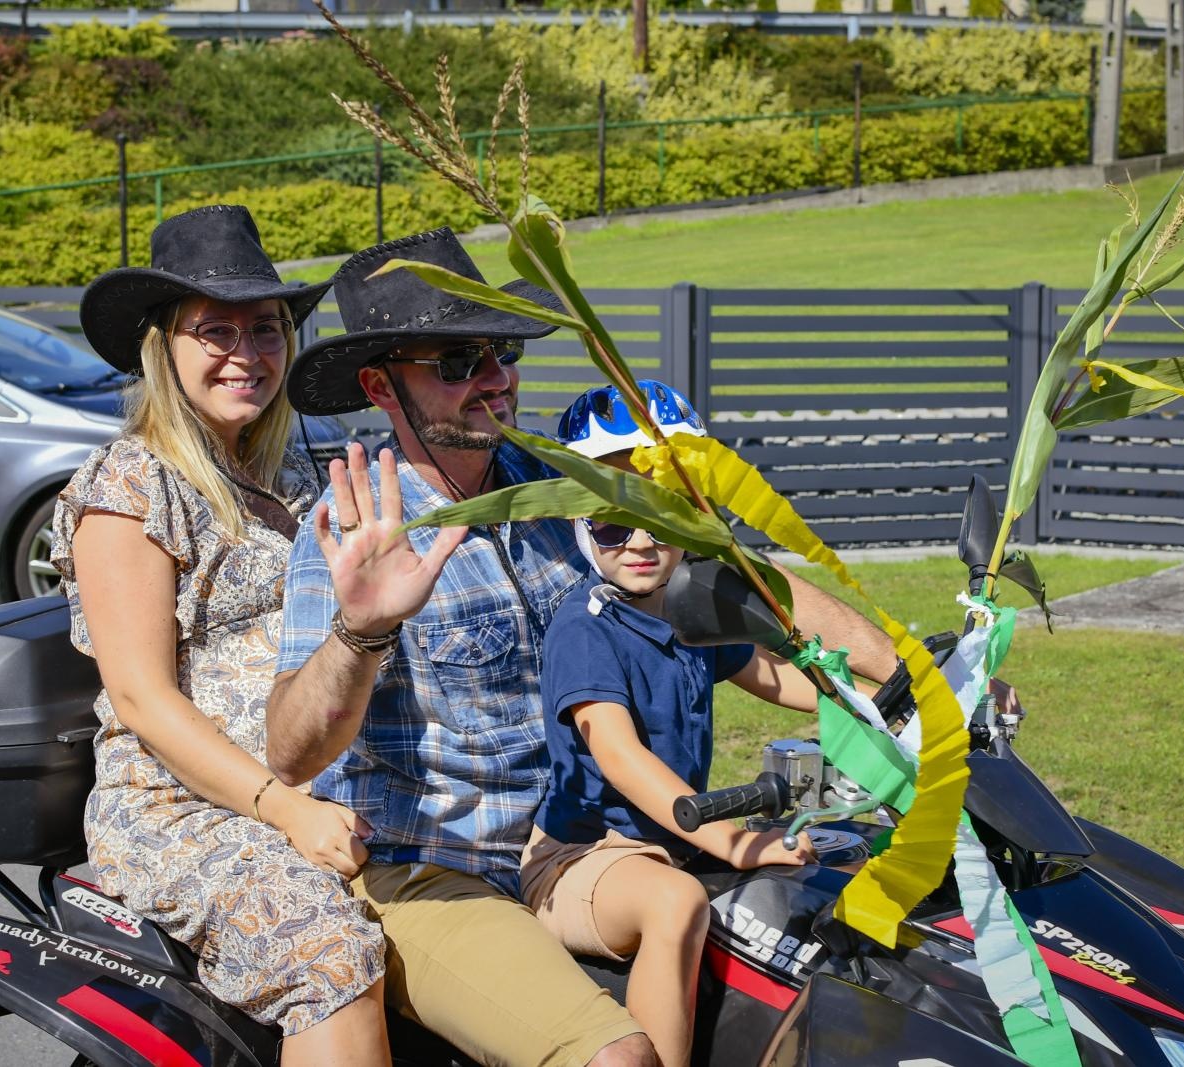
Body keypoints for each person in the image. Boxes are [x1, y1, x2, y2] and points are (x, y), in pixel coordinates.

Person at [266, 227, 900, 1067]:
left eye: (499, 352)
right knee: (618, 1058)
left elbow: (741, 589)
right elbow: (290, 751)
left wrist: (902, 669)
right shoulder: (356, 534)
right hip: (439, 870)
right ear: (383, 386)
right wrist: (365, 625)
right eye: (457, 363)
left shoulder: (569, 488)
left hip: (594, 846)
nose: (494, 379)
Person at [49, 205, 390, 1067]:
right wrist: (287, 809)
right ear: (162, 347)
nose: (247, 351)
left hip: (320, 784)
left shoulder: (290, 473)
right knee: (329, 952)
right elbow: (141, 698)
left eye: (266, 328)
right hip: (180, 810)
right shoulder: (129, 482)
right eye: (216, 330)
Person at [522, 380, 846, 1067]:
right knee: (675, 900)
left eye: (662, 511)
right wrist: (730, 840)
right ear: (580, 516)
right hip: (582, 856)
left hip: (673, 836)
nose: (640, 539)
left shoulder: (686, 609)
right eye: (614, 516)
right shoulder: (587, 627)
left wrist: (866, 699)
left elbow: (768, 672)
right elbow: (615, 751)